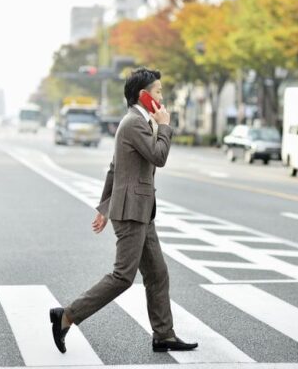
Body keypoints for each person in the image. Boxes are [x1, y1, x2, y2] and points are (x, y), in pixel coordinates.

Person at [49, 68, 198, 354]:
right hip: (132, 212)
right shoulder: (134, 123)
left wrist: (105, 208)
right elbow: (159, 156)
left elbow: (115, 168)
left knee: (158, 274)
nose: (161, 96)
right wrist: (165, 126)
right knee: (122, 277)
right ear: (143, 96)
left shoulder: (137, 122)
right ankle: (66, 316)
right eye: (157, 91)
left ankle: (163, 335)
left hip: (139, 210)